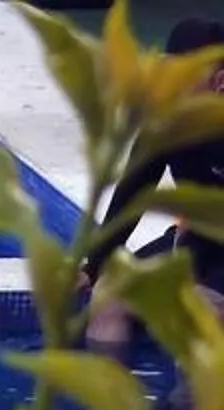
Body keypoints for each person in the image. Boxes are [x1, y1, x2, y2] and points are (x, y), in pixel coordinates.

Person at [87, 17, 224, 347]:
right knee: (110, 300)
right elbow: (135, 189)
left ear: (220, 81)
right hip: (198, 242)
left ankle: (186, 400)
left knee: (203, 312)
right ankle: (112, 396)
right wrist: (95, 265)